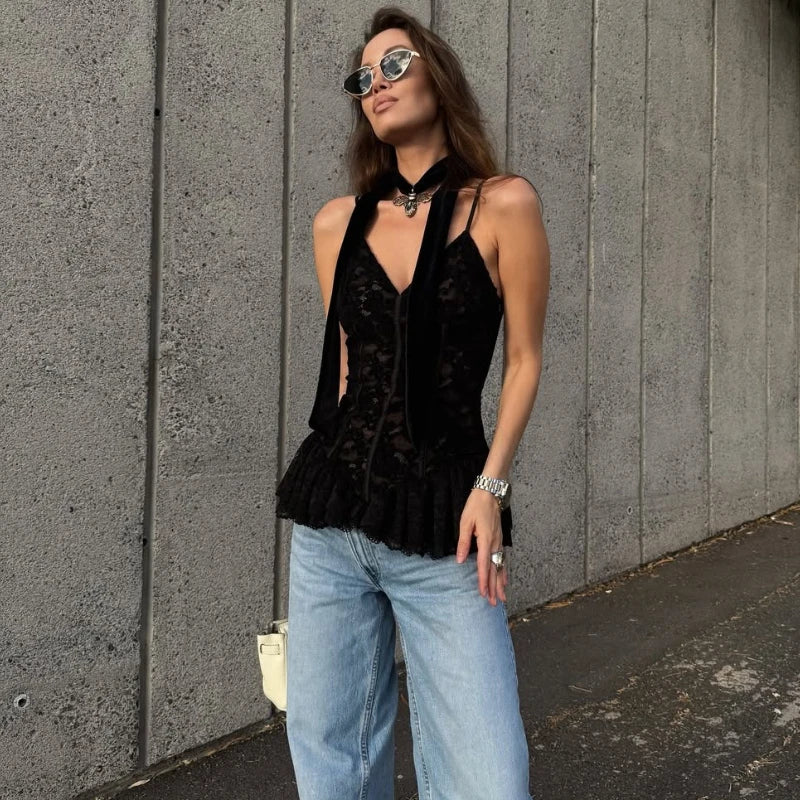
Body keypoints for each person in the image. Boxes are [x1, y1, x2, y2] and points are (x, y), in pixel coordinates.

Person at [274, 6, 550, 799]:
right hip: (332, 527)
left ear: (439, 76)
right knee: (330, 759)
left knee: (488, 778)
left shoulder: (504, 205)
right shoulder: (336, 223)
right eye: (363, 78)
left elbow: (525, 360)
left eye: (394, 64)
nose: (376, 85)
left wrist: (492, 488)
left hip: (446, 526)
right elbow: (351, 365)